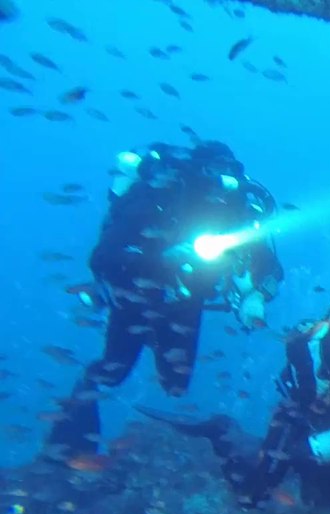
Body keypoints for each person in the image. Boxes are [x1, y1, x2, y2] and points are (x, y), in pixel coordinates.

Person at [46, 140, 283, 463]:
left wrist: (255, 297)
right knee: (112, 371)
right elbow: (102, 257)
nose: (220, 181)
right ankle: (70, 442)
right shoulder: (157, 195)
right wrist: (161, 260)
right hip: (135, 298)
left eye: (228, 173)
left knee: (176, 385)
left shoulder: (236, 208)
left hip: (187, 303)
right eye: (214, 171)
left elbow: (269, 267)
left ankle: (196, 436)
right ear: (196, 171)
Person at [140, 277, 330, 509]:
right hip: (301, 413)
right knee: (252, 494)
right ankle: (221, 429)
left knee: (325, 501)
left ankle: (288, 471)